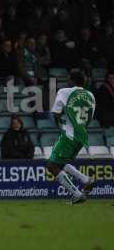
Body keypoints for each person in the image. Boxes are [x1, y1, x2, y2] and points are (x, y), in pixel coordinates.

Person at [47, 71, 96, 204]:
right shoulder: (90, 95)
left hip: (69, 134)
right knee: (60, 162)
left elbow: (56, 113)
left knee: (52, 165)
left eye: (68, 79)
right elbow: (90, 116)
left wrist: (61, 125)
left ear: (71, 81)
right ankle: (86, 180)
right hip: (82, 136)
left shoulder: (65, 91)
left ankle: (77, 194)